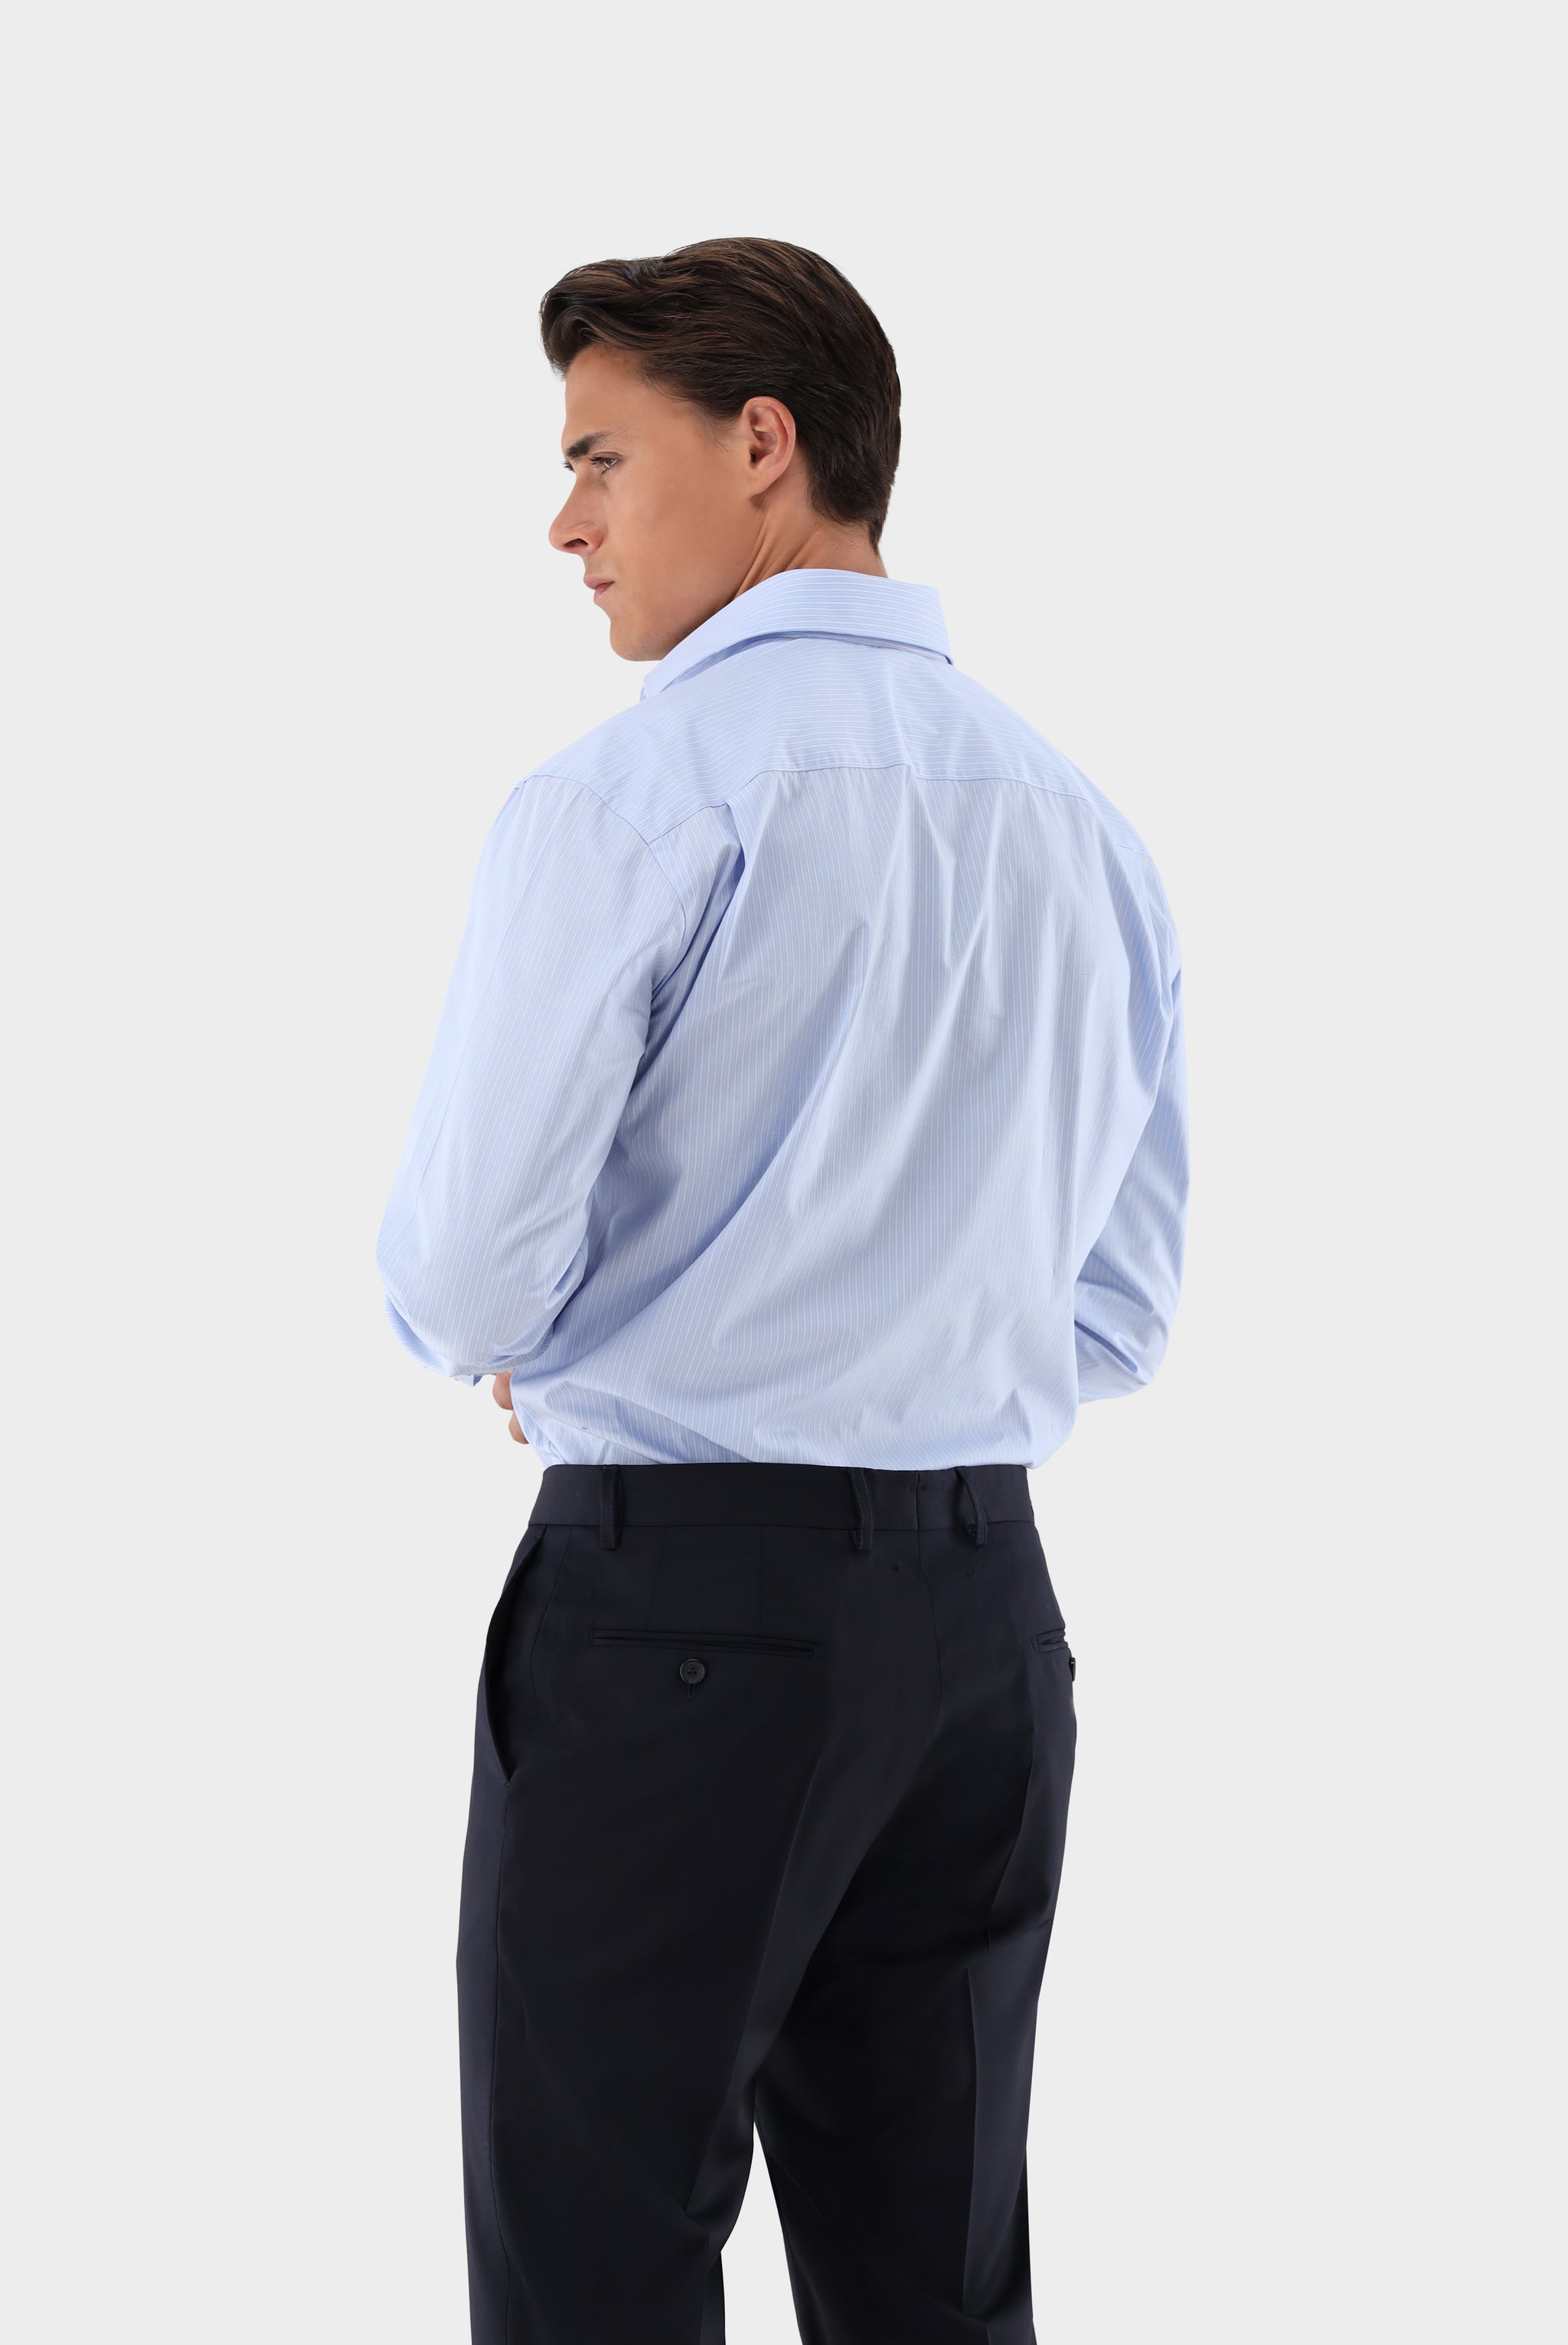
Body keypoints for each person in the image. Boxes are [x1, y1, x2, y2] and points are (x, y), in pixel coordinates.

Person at [377, 236, 1187, 2345]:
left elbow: (465, 1275)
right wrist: (911, 1339)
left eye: (598, 457)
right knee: (936, 2284)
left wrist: (558, 1344)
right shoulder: (1081, 824)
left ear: (763, 443)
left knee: (594, 2275)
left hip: (682, 1620)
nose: (564, 523)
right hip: (986, 1631)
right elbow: (1122, 1307)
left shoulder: (634, 797)